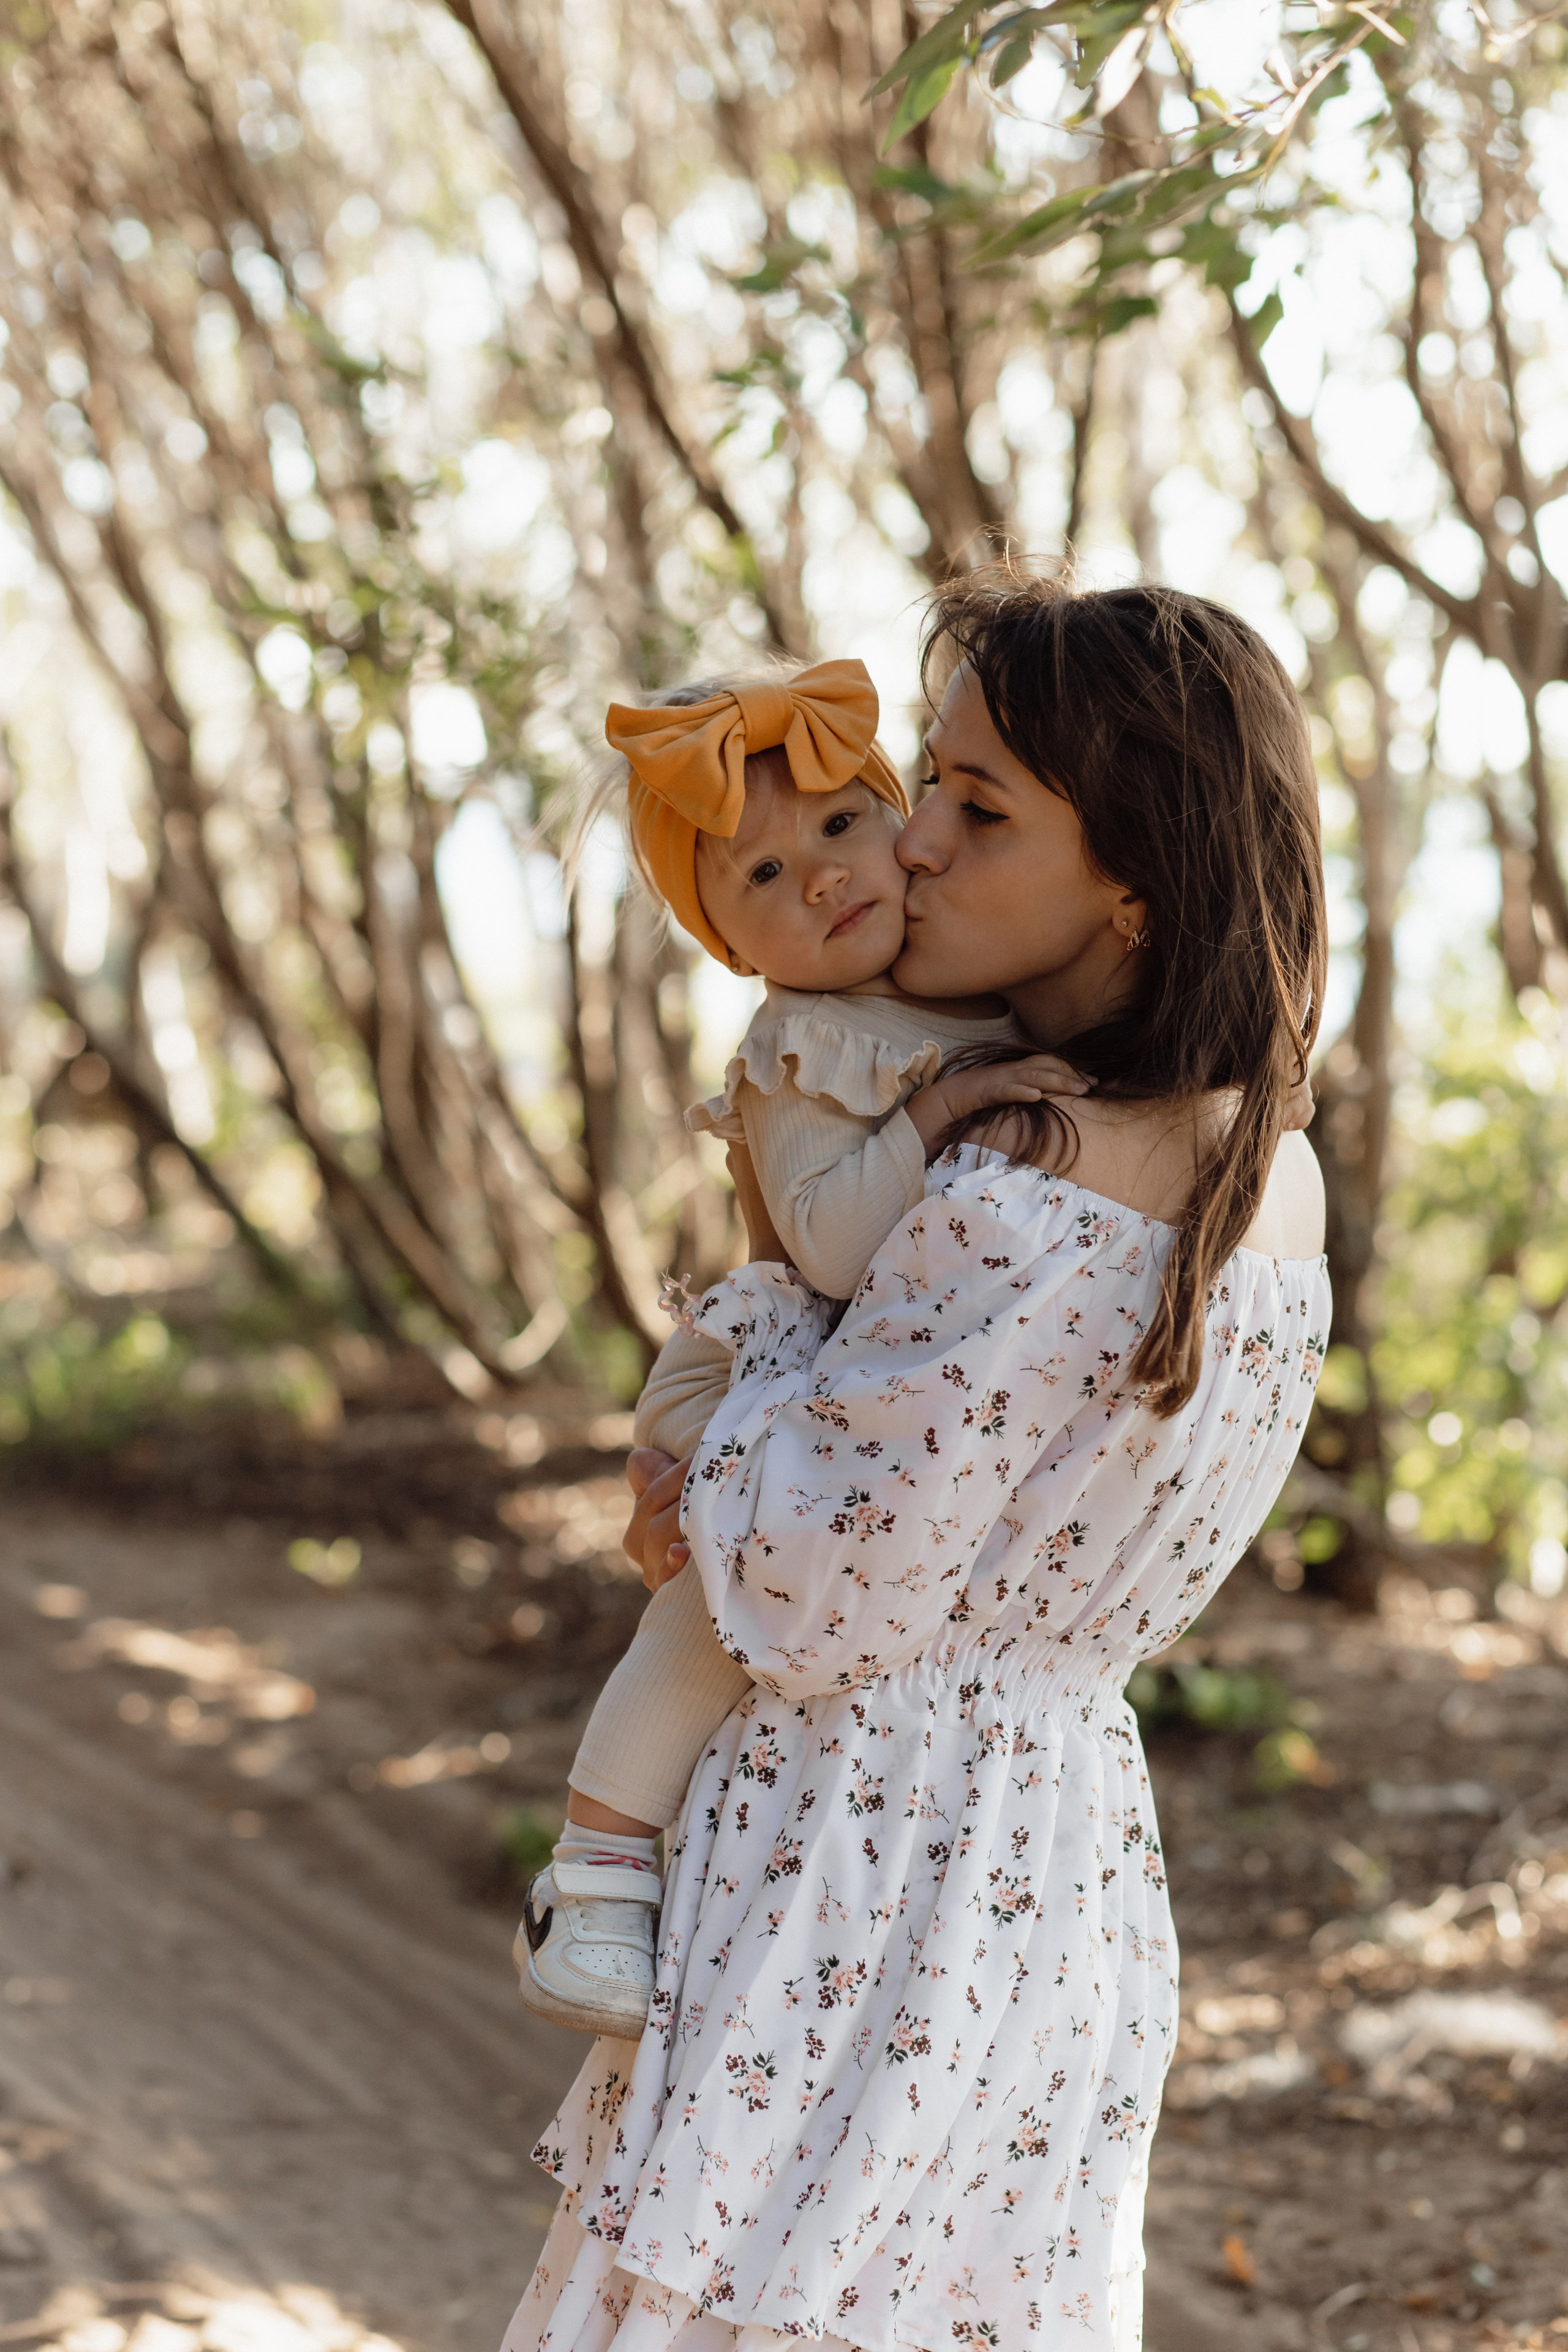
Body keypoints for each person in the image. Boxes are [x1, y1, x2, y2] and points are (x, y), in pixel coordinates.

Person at [502, 571, 1330, 2352]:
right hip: (1063, 1865)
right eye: (927, 786)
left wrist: (718, 1436)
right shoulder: (1272, 1168)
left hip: (860, 1863)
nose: (915, 846)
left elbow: (812, 1593)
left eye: (975, 806)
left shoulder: (1026, 1179)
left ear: (1133, 876)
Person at [519, 657, 1085, 2040]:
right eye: (762, 875)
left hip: (855, 1384)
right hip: (758, 1371)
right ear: (724, 940)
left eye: (840, 826)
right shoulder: (805, 1042)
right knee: (720, 1602)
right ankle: (593, 1868)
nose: (823, 877)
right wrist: (940, 1112)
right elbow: (830, 1248)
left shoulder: (973, 987)